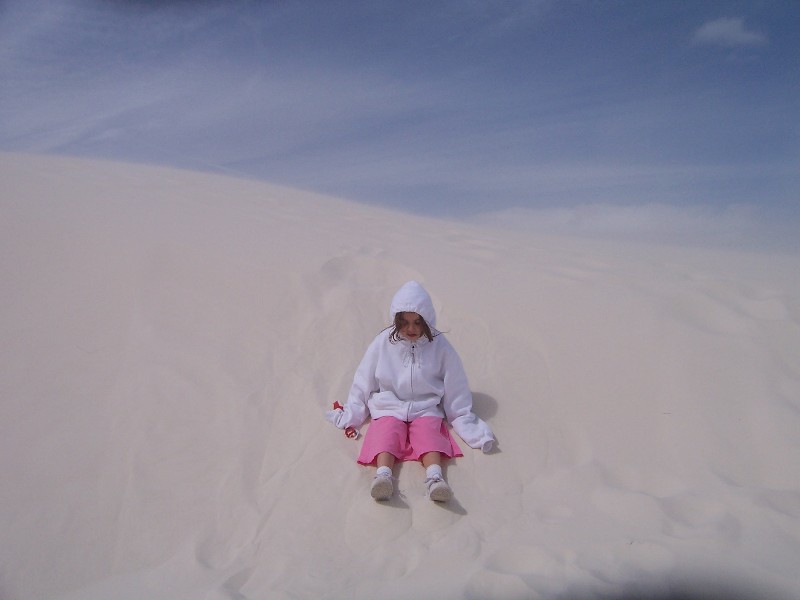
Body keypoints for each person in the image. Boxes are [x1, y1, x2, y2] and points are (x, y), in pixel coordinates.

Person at [326, 281, 495, 502]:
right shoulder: (383, 342)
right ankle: (383, 477)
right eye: (404, 322)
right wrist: (354, 411)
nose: (411, 329)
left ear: (427, 321)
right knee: (384, 432)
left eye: (417, 322)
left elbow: (456, 383)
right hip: (389, 403)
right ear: (396, 320)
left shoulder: (441, 346)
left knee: (429, 435)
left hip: (426, 406)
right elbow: (363, 378)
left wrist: (462, 418)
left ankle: (435, 479)